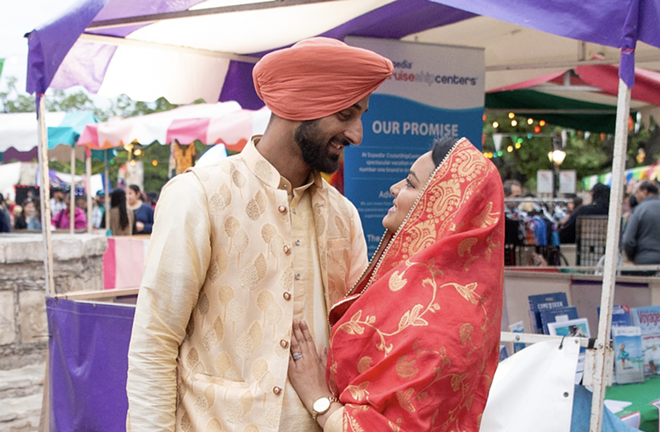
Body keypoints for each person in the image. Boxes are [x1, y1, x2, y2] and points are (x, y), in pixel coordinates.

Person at [126, 37, 393, 432]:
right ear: (301, 106)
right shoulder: (200, 195)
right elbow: (155, 342)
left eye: (360, 116)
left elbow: (354, 346)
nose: (356, 134)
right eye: (344, 115)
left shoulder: (343, 215)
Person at [288, 137, 505, 431]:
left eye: (411, 184)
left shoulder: (438, 321)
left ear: (439, 209)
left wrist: (318, 397)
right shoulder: (426, 290)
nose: (394, 188)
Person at [622, 180, 660, 272]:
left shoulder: (638, 210)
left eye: (637, 192)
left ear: (645, 192)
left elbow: (628, 240)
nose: (636, 196)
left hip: (644, 261)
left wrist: (632, 257)